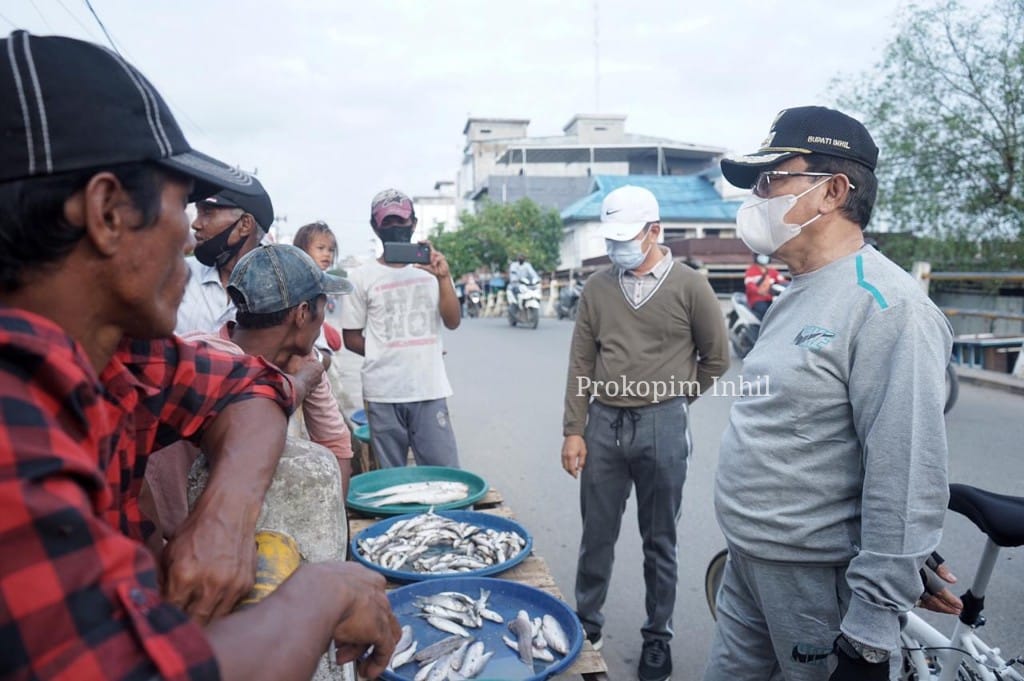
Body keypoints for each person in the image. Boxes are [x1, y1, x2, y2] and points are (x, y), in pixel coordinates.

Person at [0, 31, 398, 681]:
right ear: (106, 213)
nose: (190, 235)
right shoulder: (15, 430)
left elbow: (248, 386)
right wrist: (324, 594)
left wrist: (224, 515)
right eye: (181, 205)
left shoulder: (118, 362)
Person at [705, 106, 954, 681]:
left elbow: (907, 471)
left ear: (832, 192)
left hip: (816, 583)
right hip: (747, 562)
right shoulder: (800, 290)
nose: (757, 198)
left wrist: (871, 628)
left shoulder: (889, 308)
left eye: (772, 180)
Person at [561, 185, 729, 681]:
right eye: (610, 239)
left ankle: (659, 635)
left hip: (663, 426)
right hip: (604, 425)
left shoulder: (690, 286)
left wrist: (672, 400)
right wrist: (574, 429)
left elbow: (716, 358)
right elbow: (581, 362)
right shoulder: (597, 287)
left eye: (626, 238)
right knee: (596, 535)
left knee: (660, 540)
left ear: (655, 231)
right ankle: (586, 625)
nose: (617, 249)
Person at [183, 245, 356, 499]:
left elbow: (335, 444)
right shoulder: (205, 359)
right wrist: (300, 382)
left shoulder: (302, 360)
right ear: (303, 313)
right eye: (322, 306)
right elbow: (246, 407)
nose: (322, 322)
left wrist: (334, 524)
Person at [340, 189, 461, 468]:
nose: (396, 228)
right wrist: (387, 351)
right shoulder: (361, 277)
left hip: (428, 389)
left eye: (401, 221)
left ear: (414, 224)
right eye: (388, 223)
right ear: (375, 227)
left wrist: (444, 277)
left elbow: (453, 321)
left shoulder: (431, 270)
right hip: (382, 392)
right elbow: (350, 338)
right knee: (392, 479)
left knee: (444, 473)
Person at [176, 176, 274, 334]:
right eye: (198, 212)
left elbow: (319, 354)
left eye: (207, 213)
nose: (195, 224)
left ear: (245, 225)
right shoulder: (178, 273)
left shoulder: (282, 293)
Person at [293, 220, 345, 356]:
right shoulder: (299, 282)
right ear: (302, 250)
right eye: (320, 248)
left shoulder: (319, 282)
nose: (327, 254)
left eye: (331, 250)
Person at [743, 253, 788, 319]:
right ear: (756, 257)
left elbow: (782, 281)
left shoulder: (772, 271)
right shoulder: (751, 271)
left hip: (771, 299)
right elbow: (750, 286)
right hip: (757, 300)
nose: (764, 257)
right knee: (764, 312)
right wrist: (759, 291)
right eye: (761, 255)